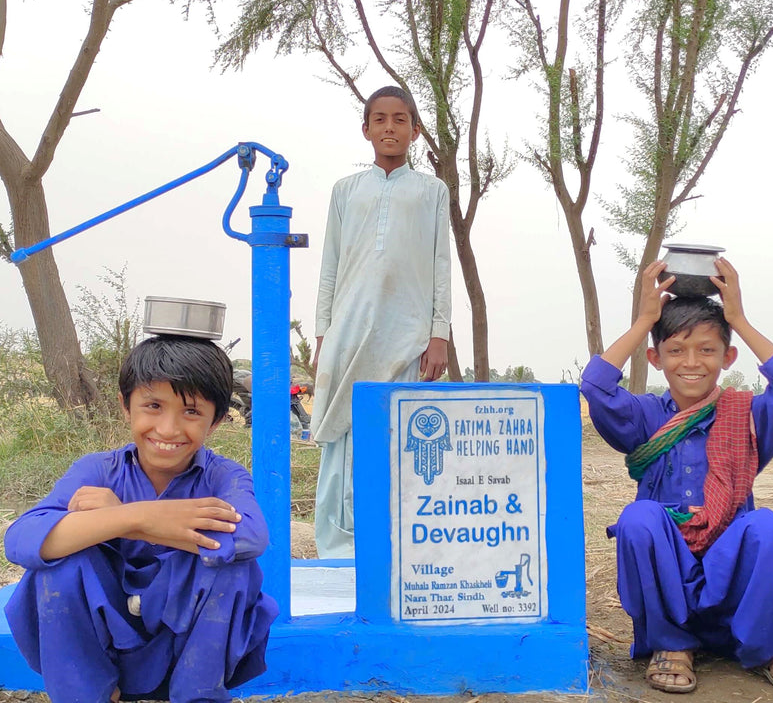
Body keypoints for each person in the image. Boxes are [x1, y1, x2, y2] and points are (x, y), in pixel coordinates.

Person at [580, 258, 773, 696]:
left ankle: (767, 647)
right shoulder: (645, 416)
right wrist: (644, 320)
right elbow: (596, 386)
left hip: (730, 569)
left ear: (728, 356)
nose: (691, 363)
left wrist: (738, 318)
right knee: (639, 519)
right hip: (670, 568)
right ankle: (671, 643)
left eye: (707, 350)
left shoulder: (746, 416)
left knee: (770, 527)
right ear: (655, 358)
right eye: (675, 350)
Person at [3, 335, 278, 703]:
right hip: (108, 638)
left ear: (216, 421)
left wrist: (131, 521)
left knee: (233, 568)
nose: (167, 429)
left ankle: (197, 697)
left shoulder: (223, 477)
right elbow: (22, 539)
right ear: (126, 406)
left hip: (185, 644)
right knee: (59, 565)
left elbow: (249, 536)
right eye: (153, 405)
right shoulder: (97, 469)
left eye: (191, 412)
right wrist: (137, 517)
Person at [311, 85, 452, 558]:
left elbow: (439, 264)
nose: (389, 127)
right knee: (342, 437)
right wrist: (323, 333)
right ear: (366, 129)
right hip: (348, 330)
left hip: (406, 333)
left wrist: (439, 332)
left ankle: (395, 549)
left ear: (415, 129)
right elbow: (330, 265)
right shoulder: (345, 191)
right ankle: (336, 548)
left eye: (399, 119)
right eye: (380, 119)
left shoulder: (432, 191)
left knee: (396, 436)